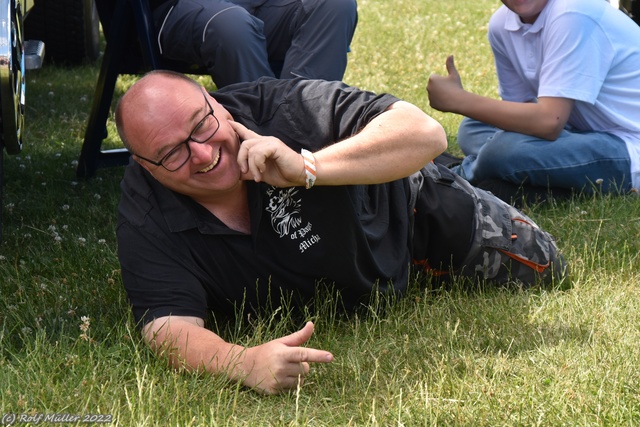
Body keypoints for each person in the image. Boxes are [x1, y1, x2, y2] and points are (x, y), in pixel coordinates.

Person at [115, 70, 566, 394]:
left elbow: (425, 132)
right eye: (172, 152)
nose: (202, 153)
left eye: (202, 124)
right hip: (347, 270)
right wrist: (242, 362)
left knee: (550, 267)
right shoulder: (145, 210)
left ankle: (477, 181)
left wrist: (308, 167)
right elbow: (168, 328)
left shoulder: (283, 108)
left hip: (412, 216)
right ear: (144, 166)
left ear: (217, 102)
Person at [427, 0, 640, 205]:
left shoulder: (574, 11)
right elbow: (519, 119)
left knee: (501, 150)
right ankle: (532, 182)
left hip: (628, 147)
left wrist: (460, 100)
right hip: (579, 130)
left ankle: (453, 176)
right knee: (473, 127)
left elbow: (549, 123)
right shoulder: (502, 24)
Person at [150, 0, 358, 88]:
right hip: (174, 8)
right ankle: (264, 134)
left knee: (334, 4)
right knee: (232, 26)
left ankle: (304, 128)